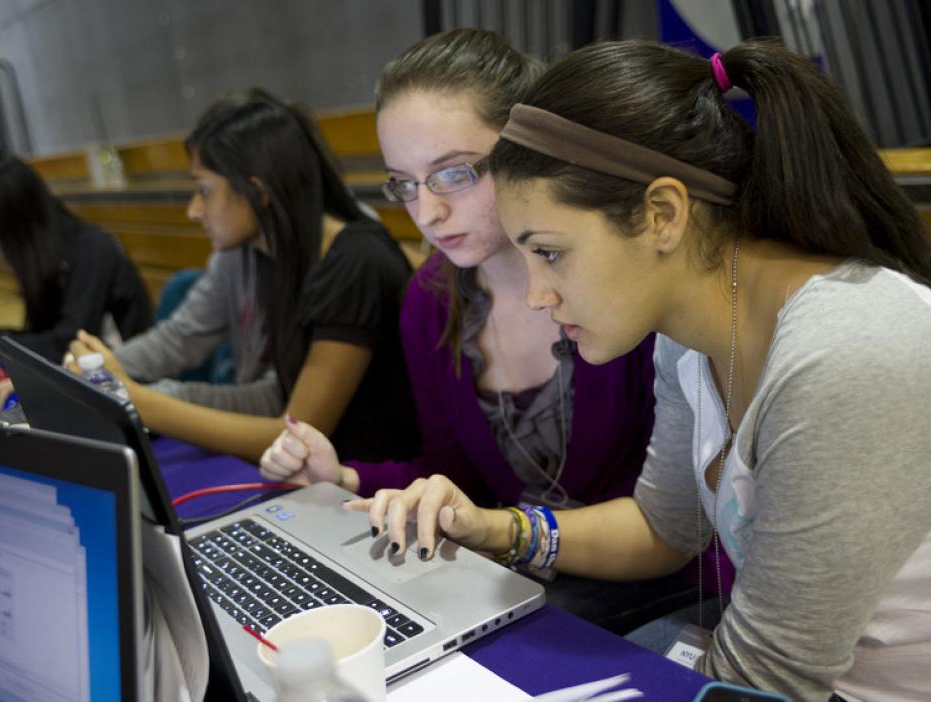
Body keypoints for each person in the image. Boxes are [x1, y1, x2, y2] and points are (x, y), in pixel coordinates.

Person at [341, 39, 931, 701]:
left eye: (550, 253)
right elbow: (663, 528)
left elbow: (765, 679)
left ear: (663, 215)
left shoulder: (844, 350)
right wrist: (495, 528)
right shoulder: (687, 338)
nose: (535, 294)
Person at [259, 30, 686, 631]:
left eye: (453, 174)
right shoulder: (430, 301)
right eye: (405, 184)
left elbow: (677, 521)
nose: (427, 213)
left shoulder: (619, 278)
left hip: (657, 589)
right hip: (528, 578)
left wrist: (505, 533)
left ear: (527, 150)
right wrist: (346, 478)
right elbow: (455, 470)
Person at [70, 89, 419, 463]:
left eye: (204, 191)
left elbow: (297, 437)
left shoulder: (356, 261)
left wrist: (135, 400)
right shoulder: (265, 254)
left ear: (257, 192)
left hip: (368, 486)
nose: (193, 210)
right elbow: (183, 338)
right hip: (320, 478)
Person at [0, 150, 152, 410]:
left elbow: (70, 340)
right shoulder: (41, 255)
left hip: (123, 390)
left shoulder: (91, 248)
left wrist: (2, 345)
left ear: (14, 223)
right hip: (78, 380)